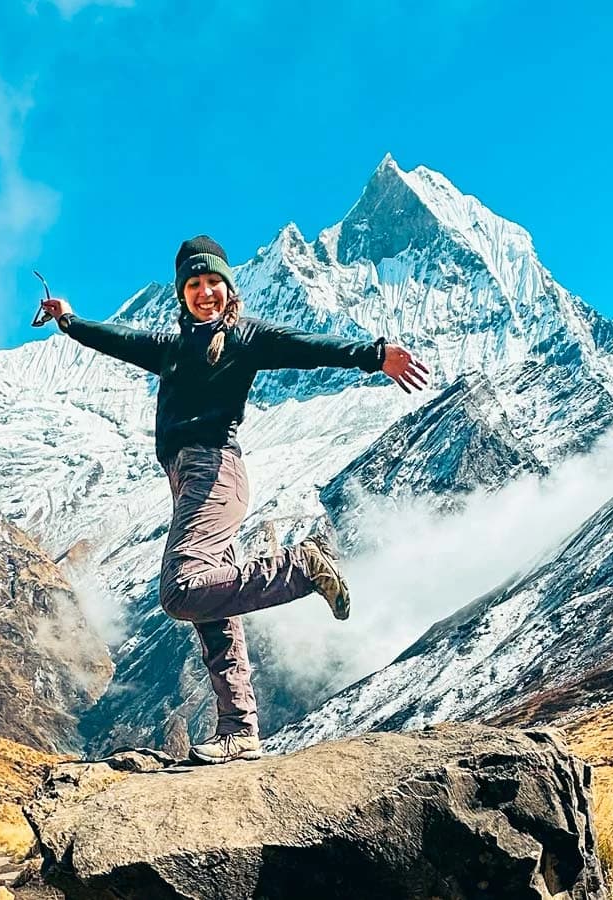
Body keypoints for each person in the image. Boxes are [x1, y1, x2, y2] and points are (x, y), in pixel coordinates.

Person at [39, 235, 429, 764]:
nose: (205, 292)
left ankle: (302, 566)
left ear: (228, 287)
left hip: (215, 472)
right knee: (214, 612)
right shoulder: (173, 347)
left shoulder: (246, 337)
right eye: (194, 284)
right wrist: (69, 320)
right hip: (189, 480)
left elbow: (308, 347)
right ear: (182, 293)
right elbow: (120, 338)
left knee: (181, 592)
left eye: (213, 282)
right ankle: (240, 729)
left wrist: (374, 355)